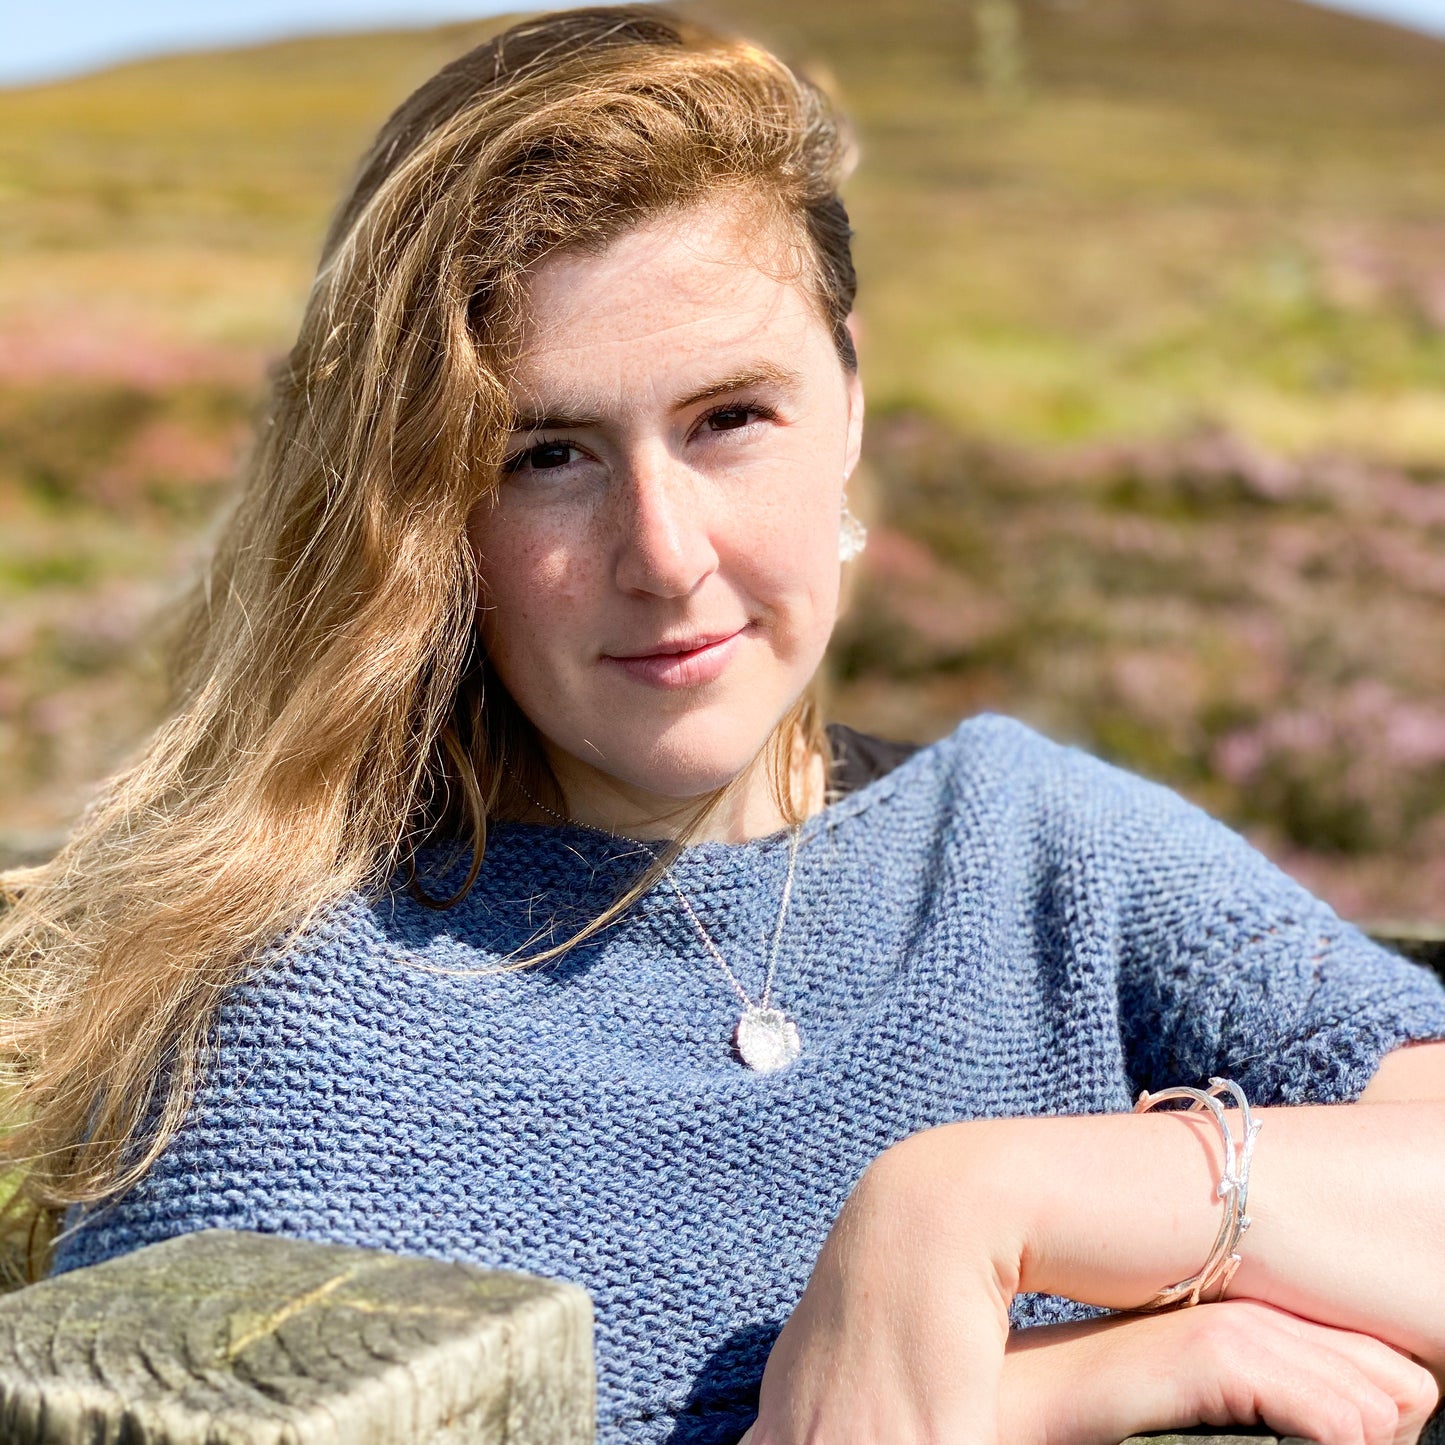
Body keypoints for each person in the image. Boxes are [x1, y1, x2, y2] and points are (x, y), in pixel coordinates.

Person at [2, 7, 1443, 1443]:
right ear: (426, 510)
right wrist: (1032, 1398)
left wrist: (966, 1208)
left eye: (729, 417)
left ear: (850, 401)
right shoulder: (290, 1025)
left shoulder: (1034, 851)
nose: (665, 553)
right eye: (545, 454)